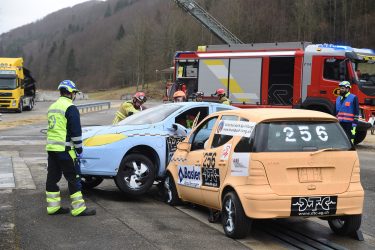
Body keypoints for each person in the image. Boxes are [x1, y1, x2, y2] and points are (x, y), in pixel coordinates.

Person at [46, 80, 96, 216]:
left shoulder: (52, 107)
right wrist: (79, 149)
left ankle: (53, 207)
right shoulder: (70, 107)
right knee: (74, 178)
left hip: (52, 149)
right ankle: (79, 209)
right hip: (66, 150)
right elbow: (75, 132)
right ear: (70, 93)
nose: (75, 95)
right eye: (74, 93)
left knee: (52, 178)